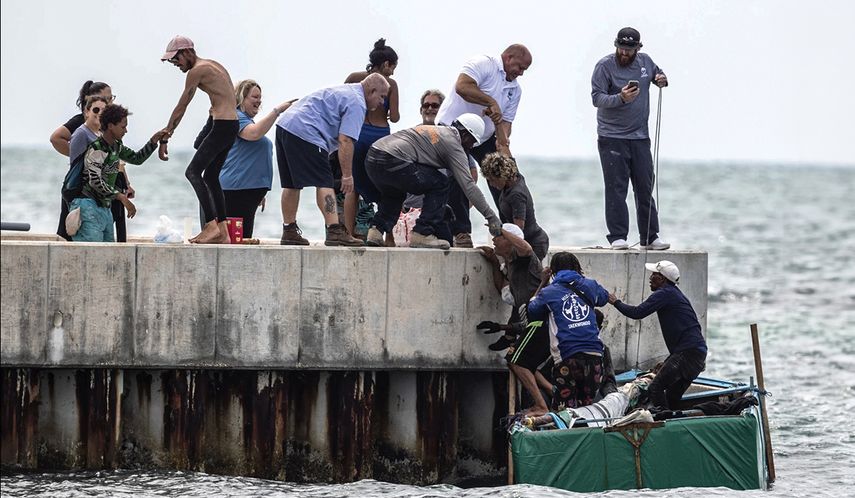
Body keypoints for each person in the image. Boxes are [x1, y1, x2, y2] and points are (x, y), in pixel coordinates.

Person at [276, 73, 390, 246]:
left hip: (285, 125)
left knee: (291, 184)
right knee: (325, 183)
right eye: (381, 96)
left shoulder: (346, 91)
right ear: (372, 91)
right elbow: (345, 140)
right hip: (308, 131)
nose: (382, 102)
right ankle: (334, 230)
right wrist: (347, 175)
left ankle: (289, 230)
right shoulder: (358, 103)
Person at [436, 44, 532, 248]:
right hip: (455, 129)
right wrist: (490, 102)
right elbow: (462, 87)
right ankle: (461, 231)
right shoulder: (484, 64)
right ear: (508, 57)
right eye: (519, 67)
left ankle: (511, 231)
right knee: (460, 175)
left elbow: (506, 124)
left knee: (506, 176)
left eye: (525, 70)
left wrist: (503, 147)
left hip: (484, 135)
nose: (521, 73)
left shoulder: (515, 90)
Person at [363, 114, 502, 249]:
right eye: (472, 142)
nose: (471, 147)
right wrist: (491, 217)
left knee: (394, 194)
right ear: (465, 135)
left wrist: (438, 206)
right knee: (441, 183)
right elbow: (468, 186)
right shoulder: (453, 144)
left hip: (373, 157)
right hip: (393, 159)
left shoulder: (436, 132)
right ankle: (422, 233)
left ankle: (376, 231)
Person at [592, 27, 670, 251]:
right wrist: (621, 98)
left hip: (640, 137)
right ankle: (617, 236)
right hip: (611, 137)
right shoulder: (604, 66)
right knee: (616, 188)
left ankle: (650, 236)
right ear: (616, 45)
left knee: (645, 187)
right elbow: (597, 98)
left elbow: (658, 73)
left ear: (638, 48)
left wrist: (661, 79)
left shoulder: (645, 61)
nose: (624, 53)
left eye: (629, 49)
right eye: (621, 48)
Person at [159, 35, 238, 244]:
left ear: (186, 52)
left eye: (176, 59)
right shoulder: (212, 65)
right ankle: (223, 232)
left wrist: (167, 134)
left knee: (192, 172)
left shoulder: (197, 71)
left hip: (222, 126)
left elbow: (182, 105)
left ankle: (210, 226)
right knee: (211, 176)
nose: (175, 65)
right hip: (229, 125)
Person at [608, 260, 707, 411]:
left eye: (654, 274)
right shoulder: (674, 294)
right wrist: (669, 361)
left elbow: (637, 313)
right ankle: (673, 421)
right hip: (697, 354)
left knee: (655, 388)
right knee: (671, 397)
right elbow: (687, 333)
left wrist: (616, 302)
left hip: (687, 353)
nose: (650, 278)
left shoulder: (664, 293)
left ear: (662, 279)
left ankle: (664, 421)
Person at [478, 223, 550, 416]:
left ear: (510, 241)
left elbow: (526, 248)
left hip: (540, 322)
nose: (493, 239)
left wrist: (500, 228)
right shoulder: (509, 266)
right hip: (529, 322)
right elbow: (504, 292)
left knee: (515, 360)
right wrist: (494, 262)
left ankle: (541, 405)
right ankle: (552, 391)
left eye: (498, 237)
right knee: (524, 362)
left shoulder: (528, 261)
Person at [51, 81, 133, 241]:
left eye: (111, 99)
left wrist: (127, 183)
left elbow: (115, 158)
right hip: (86, 188)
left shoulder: (106, 126)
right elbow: (56, 138)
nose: (109, 103)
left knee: (116, 227)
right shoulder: (82, 123)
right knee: (73, 229)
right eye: (105, 99)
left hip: (110, 184)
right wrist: (83, 158)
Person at [527, 252, 610, 410]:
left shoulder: (548, 292)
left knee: (565, 408)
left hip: (567, 357)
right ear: (577, 267)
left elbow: (532, 311)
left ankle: (564, 432)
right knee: (586, 406)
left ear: (552, 270)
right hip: (594, 356)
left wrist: (543, 283)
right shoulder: (590, 285)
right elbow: (604, 298)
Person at [70, 104, 164, 242]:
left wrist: (153, 141)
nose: (126, 131)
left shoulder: (116, 146)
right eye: (123, 126)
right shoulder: (97, 149)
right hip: (88, 206)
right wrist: (121, 197)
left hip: (105, 208)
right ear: (110, 126)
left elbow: (136, 158)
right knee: (93, 255)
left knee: (108, 254)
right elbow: (95, 181)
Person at [219, 79, 295, 238]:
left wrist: (259, 192)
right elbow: (254, 134)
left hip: (247, 191)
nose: (259, 101)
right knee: (236, 240)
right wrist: (277, 111)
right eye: (254, 97)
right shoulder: (236, 117)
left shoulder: (246, 120)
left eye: (260, 97)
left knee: (242, 238)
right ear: (241, 98)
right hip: (234, 191)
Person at [343, 39, 400, 237]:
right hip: (380, 136)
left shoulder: (354, 78)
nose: (393, 72)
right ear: (386, 64)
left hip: (357, 133)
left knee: (353, 188)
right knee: (386, 186)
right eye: (393, 67)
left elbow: (344, 105)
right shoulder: (391, 84)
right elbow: (394, 117)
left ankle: (348, 234)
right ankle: (388, 237)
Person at [479, 152, 549, 260]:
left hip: (534, 243)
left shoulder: (516, 194)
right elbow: (505, 152)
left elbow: (518, 230)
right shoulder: (515, 177)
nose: (491, 184)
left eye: (492, 180)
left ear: (502, 176)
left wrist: (499, 229)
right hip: (526, 240)